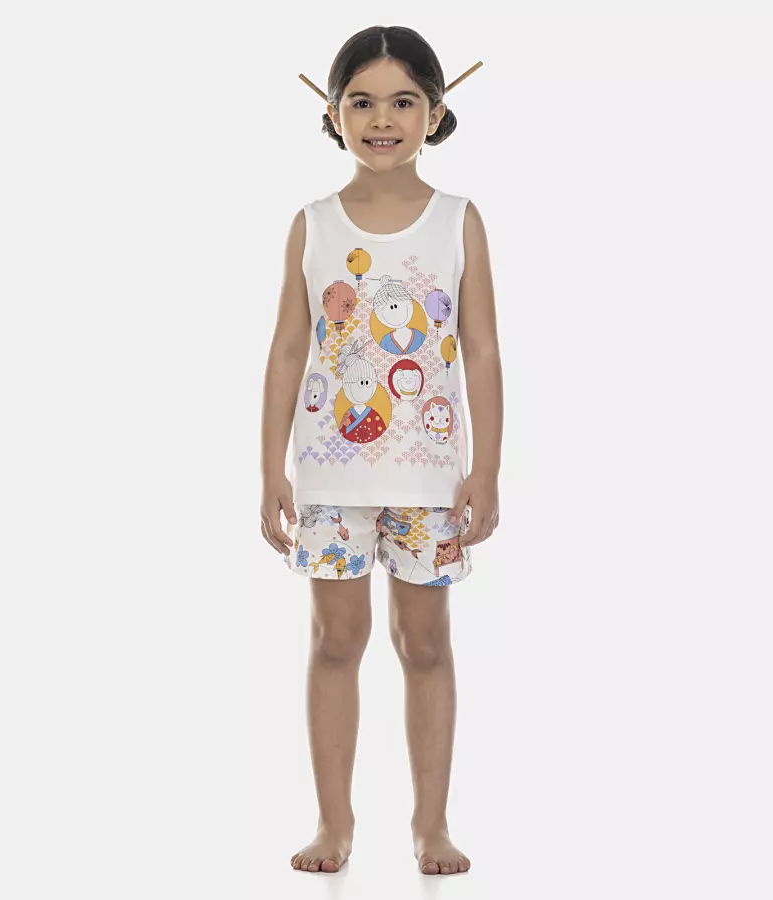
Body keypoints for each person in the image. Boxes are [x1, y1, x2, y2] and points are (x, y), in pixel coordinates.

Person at [259, 25, 504, 877]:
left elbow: (482, 351)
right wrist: (269, 469)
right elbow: (288, 351)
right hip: (329, 478)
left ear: (436, 112)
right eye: (361, 101)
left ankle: (431, 825)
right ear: (332, 113)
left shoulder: (459, 222)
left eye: (404, 101)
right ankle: (335, 824)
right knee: (335, 642)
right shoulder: (313, 224)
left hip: (431, 481)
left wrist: (485, 468)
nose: (382, 119)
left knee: (425, 644)